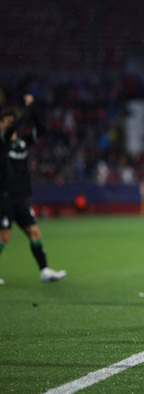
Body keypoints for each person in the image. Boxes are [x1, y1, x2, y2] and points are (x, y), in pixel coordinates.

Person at [0, 95, 66, 284]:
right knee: (4, 236)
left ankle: (44, 271)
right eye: (5, 122)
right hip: (4, 196)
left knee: (34, 232)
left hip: (21, 197)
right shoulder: (2, 142)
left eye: (10, 121)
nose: (8, 124)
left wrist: (33, 110)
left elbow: (42, 129)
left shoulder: (22, 143)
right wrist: (28, 108)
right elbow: (14, 128)